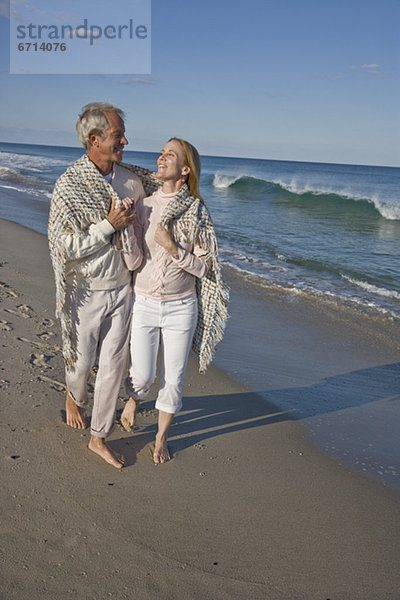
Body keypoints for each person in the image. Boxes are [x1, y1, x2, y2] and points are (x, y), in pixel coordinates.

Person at [48, 102, 159, 469]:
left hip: (123, 287)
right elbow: (65, 245)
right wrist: (108, 225)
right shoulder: (69, 185)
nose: (125, 140)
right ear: (94, 139)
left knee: (113, 365)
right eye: (117, 136)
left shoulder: (132, 180)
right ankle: (73, 395)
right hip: (84, 291)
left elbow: (162, 204)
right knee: (80, 367)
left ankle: (99, 436)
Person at [120, 137, 229, 463]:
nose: (161, 157)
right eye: (162, 152)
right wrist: (125, 230)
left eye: (170, 154)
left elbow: (203, 268)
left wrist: (171, 247)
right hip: (144, 302)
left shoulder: (197, 211)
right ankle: (134, 399)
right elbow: (133, 262)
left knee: (174, 379)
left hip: (182, 307)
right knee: (142, 377)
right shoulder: (145, 205)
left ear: (185, 169)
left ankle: (160, 439)